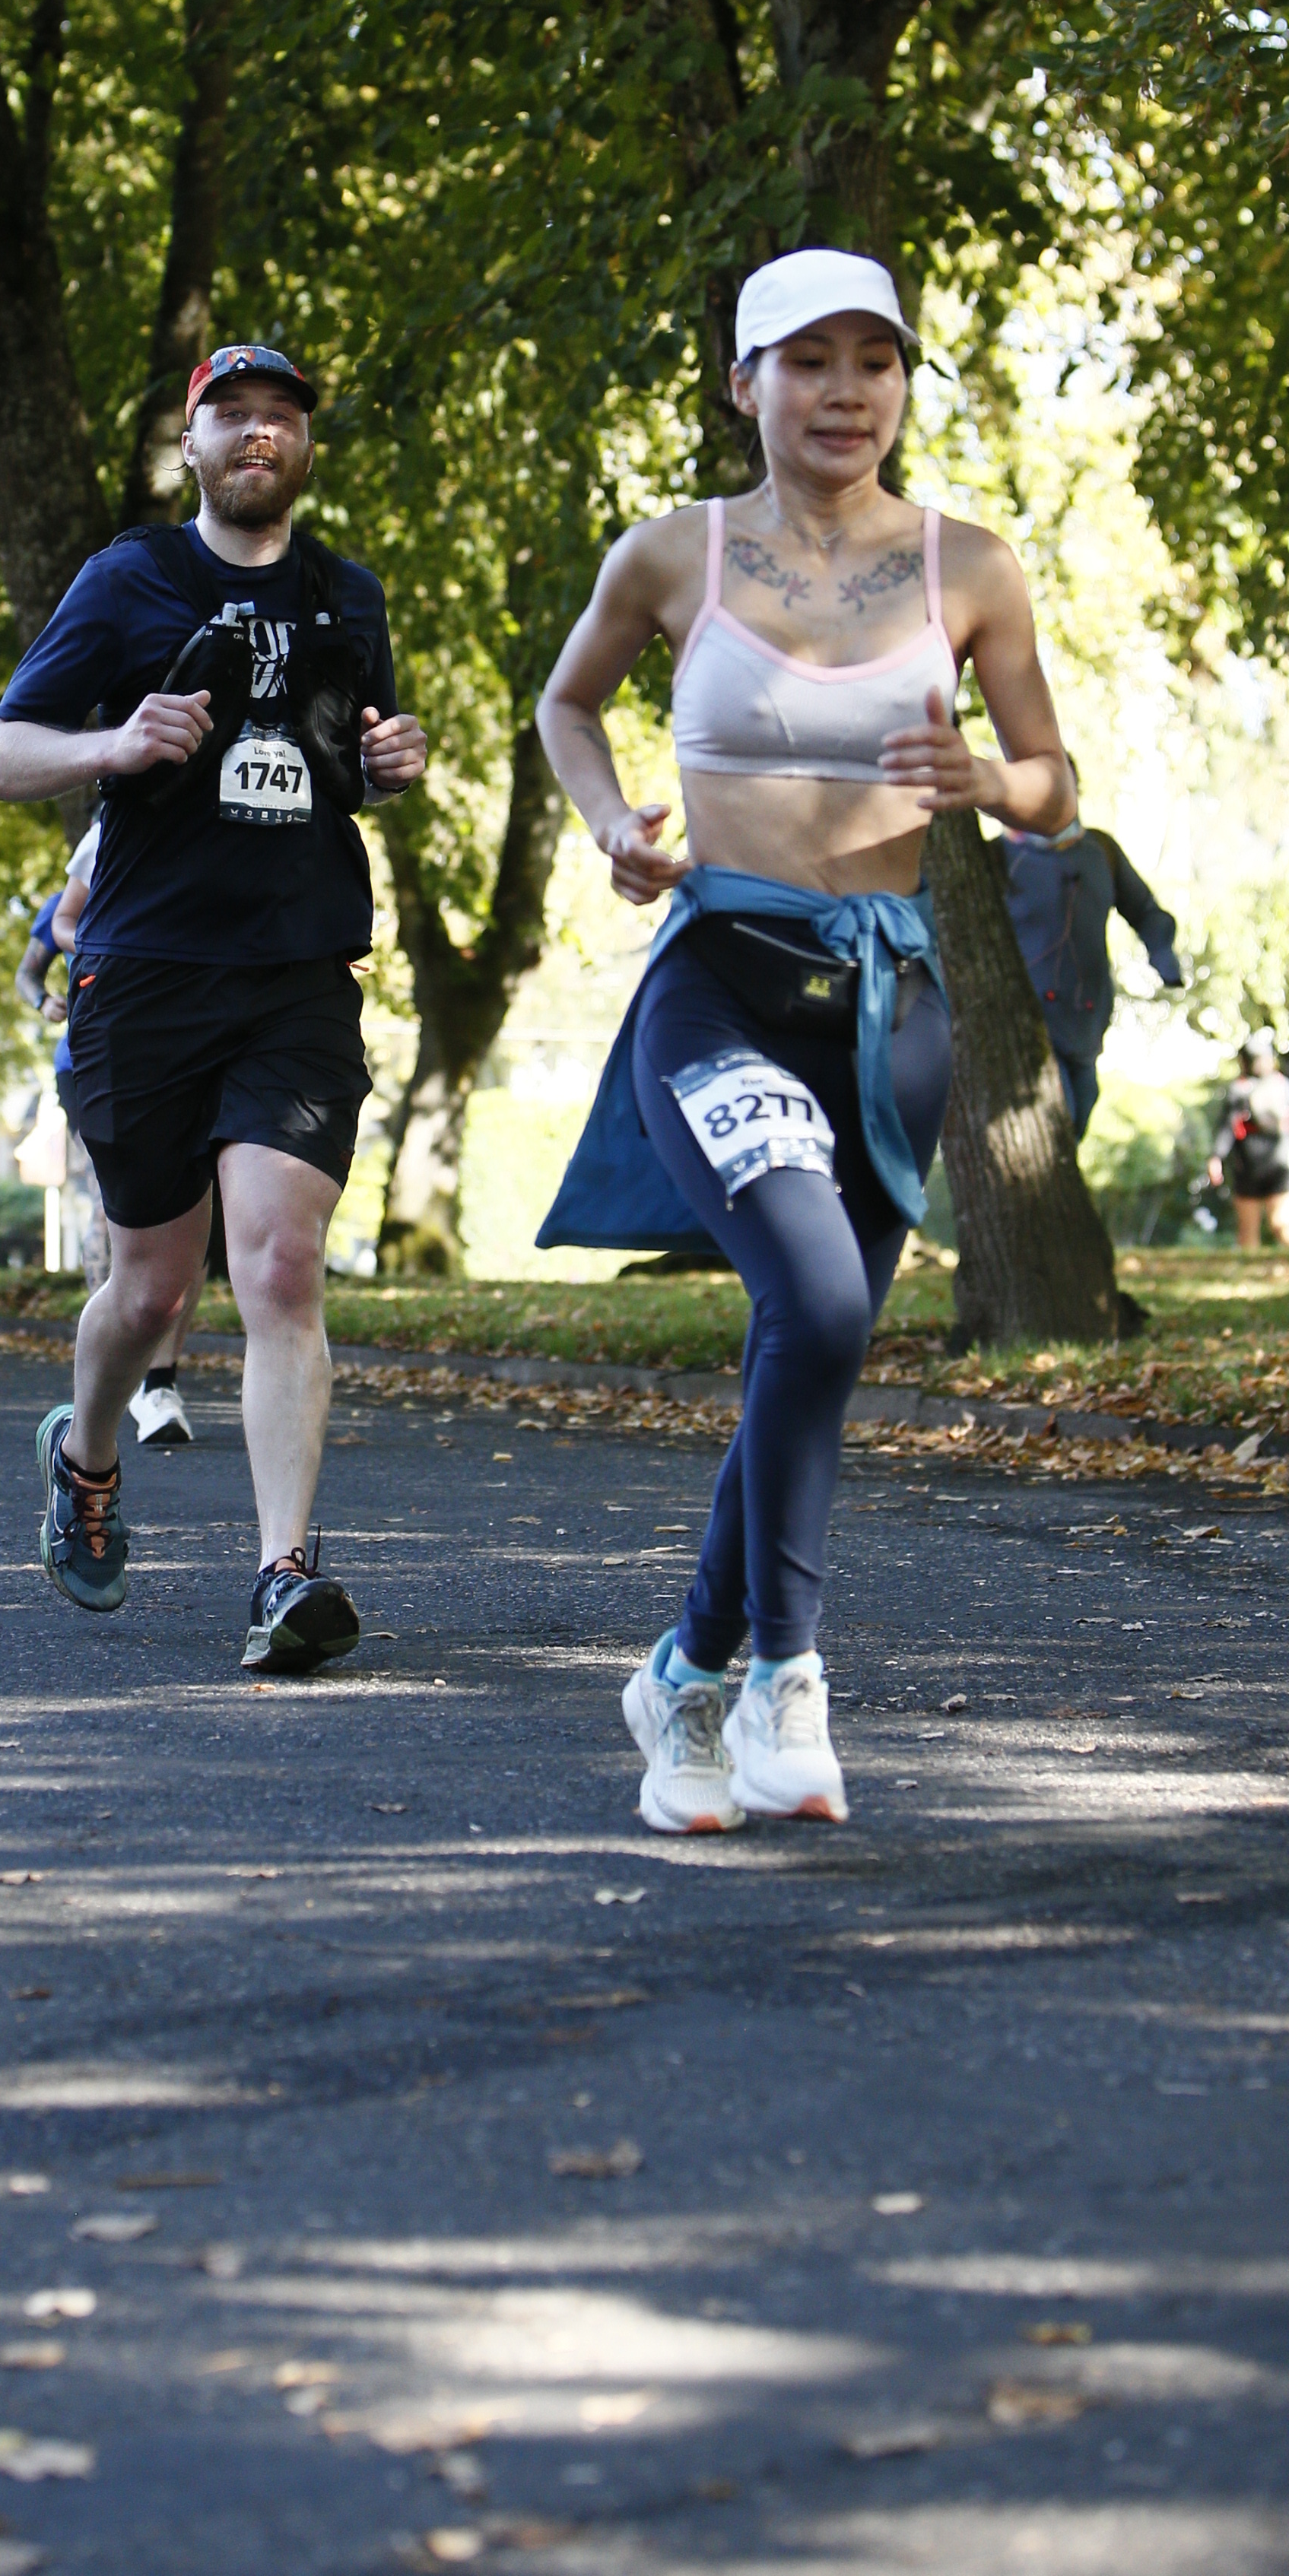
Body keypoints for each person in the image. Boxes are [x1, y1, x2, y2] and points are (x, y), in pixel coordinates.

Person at [535, 247, 1077, 1835]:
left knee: (815, 1341)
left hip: (889, 1011)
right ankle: (786, 1675)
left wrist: (989, 784)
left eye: (875, 360)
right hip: (721, 987)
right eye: (809, 360)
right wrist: (611, 829)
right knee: (820, 1304)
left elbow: (1055, 784)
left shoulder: (969, 567)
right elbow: (568, 707)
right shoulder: (672, 553)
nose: (847, 392)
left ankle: (684, 1680)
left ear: (902, 381)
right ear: (744, 382)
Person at [0, 340, 428, 1672]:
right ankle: (85, 1454)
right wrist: (115, 744)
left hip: (296, 973)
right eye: (232, 414)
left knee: (279, 1264)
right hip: (147, 975)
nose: (258, 433)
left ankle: (285, 1573)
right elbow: (0, 753)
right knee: (151, 1287)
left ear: (305, 447)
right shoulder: (130, 579)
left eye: (281, 416)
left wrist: (390, 760)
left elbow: (349, 757)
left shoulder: (347, 595)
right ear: (193, 444)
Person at [17, 831, 201, 1445]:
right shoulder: (73, 893)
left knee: (193, 1212)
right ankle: (118, 1358)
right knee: (110, 1204)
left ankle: (159, 1381)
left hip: (185, 1050)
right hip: (91, 1059)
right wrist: (44, 1002)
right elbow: (29, 971)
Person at [996, 766, 1182, 1137]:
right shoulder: (998, 858)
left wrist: (1163, 954)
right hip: (1029, 1028)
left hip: (1088, 1022)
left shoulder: (1100, 851)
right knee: (1058, 1123)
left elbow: (1144, 910)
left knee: (1081, 1110)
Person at [1208, 1031, 1289, 1252]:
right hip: (1270, 1164)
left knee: (1266, 1227)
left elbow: (1227, 1128)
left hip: (1266, 1165)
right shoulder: (1282, 1085)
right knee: (1271, 1227)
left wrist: (1216, 1157)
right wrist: (1217, 1157)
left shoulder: (1244, 1088)